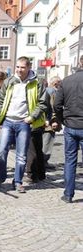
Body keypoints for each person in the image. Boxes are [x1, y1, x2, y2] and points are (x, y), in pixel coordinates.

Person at [0, 56, 47, 193]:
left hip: (24, 122)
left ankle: (17, 181)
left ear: (29, 67)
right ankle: (1, 177)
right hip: (8, 121)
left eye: (22, 67)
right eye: (17, 67)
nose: (19, 70)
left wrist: (31, 117)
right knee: (1, 151)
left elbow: (42, 103)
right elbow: (1, 102)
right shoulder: (9, 81)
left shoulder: (37, 83)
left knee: (21, 155)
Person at [54, 55, 83, 203]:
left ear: (80, 62)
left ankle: (68, 194)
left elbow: (57, 105)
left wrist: (62, 120)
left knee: (70, 161)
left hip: (71, 125)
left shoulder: (67, 81)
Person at [43, 76, 62, 169]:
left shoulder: (45, 90)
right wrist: (54, 120)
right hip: (49, 122)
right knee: (47, 142)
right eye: (60, 83)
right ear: (56, 83)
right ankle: (44, 161)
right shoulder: (53, 92)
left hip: (44, 121)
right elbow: (54, 107)